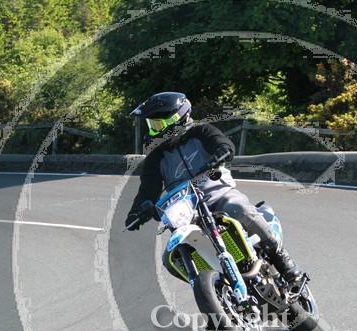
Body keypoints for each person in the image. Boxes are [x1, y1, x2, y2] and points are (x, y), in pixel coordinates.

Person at [124, 91, 302, 282]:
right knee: (173, 257)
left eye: (158, 124)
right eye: (152, 125)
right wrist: (137, 212)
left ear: (177, 118)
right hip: (187, 212)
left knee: (239, 208)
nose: (154, 130)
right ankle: (211, 286)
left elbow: (223, 144)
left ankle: (281, 258)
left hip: (219, 195)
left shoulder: (201, 131)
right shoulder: (156, 158)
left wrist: (221, 152)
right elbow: (147, 190)